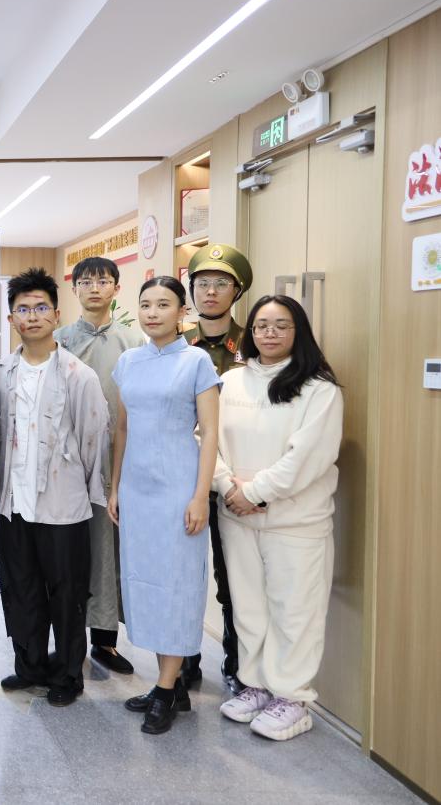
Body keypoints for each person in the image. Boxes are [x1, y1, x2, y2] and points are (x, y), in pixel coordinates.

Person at [213, 295, 343, 741]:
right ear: (250, 332)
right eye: (261, 325)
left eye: (281, 325)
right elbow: (204, 438)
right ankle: (257, 685)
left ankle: (293, 698)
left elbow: (307, 457)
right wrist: (227, 486)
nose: (269, 333)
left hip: (295, 522)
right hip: (236, 516)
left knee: (295, 611)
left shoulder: (319, 389)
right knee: (249, 608)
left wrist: (253, 493)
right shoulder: (231, 381)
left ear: (298, 331)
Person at [109, 276, 221, 734]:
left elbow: (210, 433)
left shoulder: (196, 361)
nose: (152, 313)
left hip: (179, 487)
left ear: (181, 312)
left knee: (175, 584)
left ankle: (166, 688)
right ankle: (168, 686)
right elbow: (122, 429)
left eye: (163, 304)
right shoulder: (128, 361)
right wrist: (115, 487)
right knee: (147, 585)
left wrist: (200, 495)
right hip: (137, 489)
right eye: (146, 304)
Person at [0, 269, 109, 707]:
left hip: (64, 507)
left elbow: (93, 440)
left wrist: (85, 491)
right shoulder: (0, 373)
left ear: (57, 315)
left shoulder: (79, 375)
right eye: (23, 309)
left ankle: (67, 674)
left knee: (67, 594)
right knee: (20, 589)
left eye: (41, 307)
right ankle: (30, 666)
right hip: (14, 505)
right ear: (11, 319)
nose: (33, 316)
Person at [54, 257, 144, 676]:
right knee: (72, 550)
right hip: (69, 461)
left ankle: (105, 641)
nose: (94, 288)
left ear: (116, 289)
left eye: (103, 281)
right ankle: (68, 639)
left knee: (109, 548)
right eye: (86, 281)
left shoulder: (134, 342)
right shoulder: (58, 341)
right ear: (74, 289)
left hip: (118, 459)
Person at [182, 243, 255, 691]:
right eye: (202, 283)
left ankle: (237, 665)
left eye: (221, 284)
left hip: (234, 480)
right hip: (184, 478)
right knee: (184, 575)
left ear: (236, 291)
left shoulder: (254, 342)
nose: (210, 292)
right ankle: (183, 662)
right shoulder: (176, 343)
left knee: (234, 580)